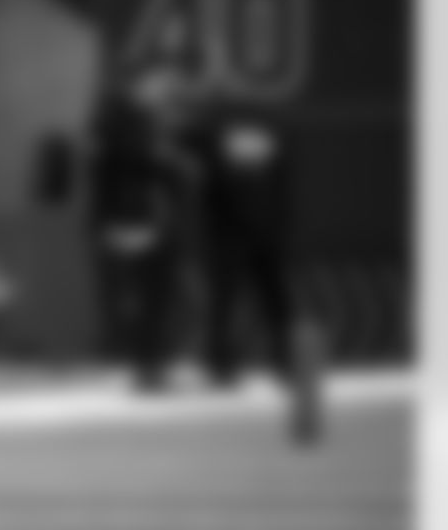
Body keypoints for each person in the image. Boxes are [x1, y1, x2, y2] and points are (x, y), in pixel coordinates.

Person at [90, 68, 199, 391]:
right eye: (158, 84)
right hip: (137, 219)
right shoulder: (126, 120)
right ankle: (148, 366)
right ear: (141, 84)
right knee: (150, 296)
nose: (164, 92)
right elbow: (138, 162)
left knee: (153, 296)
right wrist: (175, 166)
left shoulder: (131, 119)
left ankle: (151, 364)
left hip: (143, 217)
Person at [195, 109, 296, 388]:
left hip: (262, 235)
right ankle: (221, 365)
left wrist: (279, 227)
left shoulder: (270, 143)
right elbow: (213, 188)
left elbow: (282, 189)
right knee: (227, 302)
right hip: (232, 235)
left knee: (274, 301)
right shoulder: (214, 142)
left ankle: (283, 361)